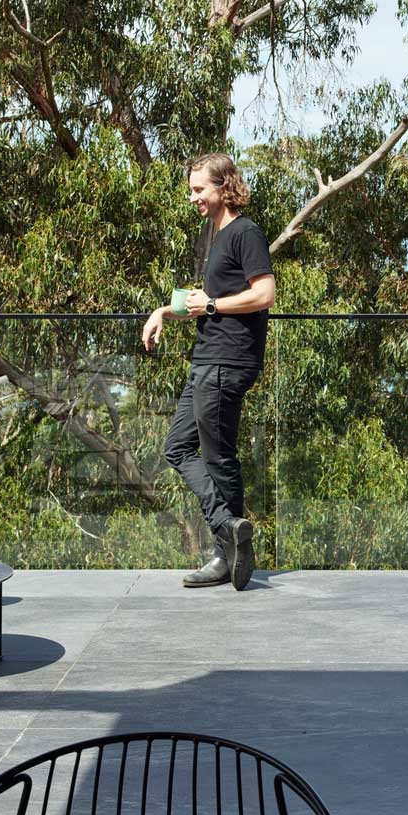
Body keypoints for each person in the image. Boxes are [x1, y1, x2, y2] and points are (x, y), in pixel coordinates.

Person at [143, 151, 275, 590]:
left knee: (219, 457)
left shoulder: (246, 233)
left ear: (224, 187)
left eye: (200, 189)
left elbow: (265, 294)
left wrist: (214, 304)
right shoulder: (213, 235)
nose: (194, 198)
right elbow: (204, 299)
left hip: (229, 360)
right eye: (193, 190)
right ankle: (229, 533)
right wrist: (164, 310)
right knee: (177, 447)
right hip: (207, 357)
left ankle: (226, 549)